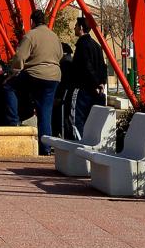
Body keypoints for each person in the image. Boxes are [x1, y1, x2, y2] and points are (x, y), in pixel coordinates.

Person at [6, 9, 62, 155]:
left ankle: (14, 121)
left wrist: (14, 71)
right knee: (45, 112)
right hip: (54, 77)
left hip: (35, 74)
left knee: (9, 86)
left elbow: (19, 57)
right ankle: (45, 148)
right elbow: (60, 54)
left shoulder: (30, 36)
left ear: (32, 22)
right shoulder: (54, 36)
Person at [70, 17, 107, 139]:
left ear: (81, 28)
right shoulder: (96, 45)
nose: (74, 28)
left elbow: (86, 66)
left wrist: (95, 82)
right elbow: (103, 65)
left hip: (83, 87)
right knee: (91, 120)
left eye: (76, 26)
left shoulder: (82, 45)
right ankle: (89, 143)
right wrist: (101, 83)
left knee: (77, 119)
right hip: (95, 90)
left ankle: (79, 144)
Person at [51, 42, 75, 139]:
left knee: (60, 118)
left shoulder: (64, 64)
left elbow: (63, 82)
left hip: (62, 96)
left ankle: (59, 135)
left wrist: (58, 97)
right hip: (67, 95)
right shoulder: (70, 61)